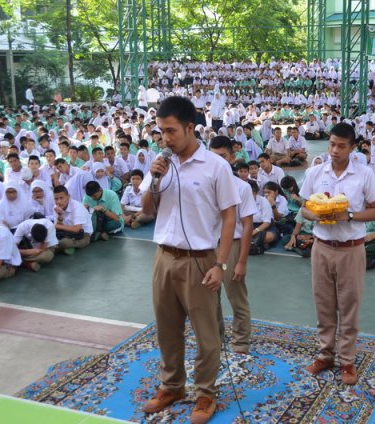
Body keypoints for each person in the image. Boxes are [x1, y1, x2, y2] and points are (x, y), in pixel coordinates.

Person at [140, 96, 240, 424]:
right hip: (164, 258)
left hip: (201, 260)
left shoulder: (216, 166)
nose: (165, 138)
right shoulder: (160, 163)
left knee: (207, 332)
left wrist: (220, 264)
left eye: (171, 131)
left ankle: (205, 392)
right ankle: (172, 386)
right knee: (167, 329)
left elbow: (229, 217)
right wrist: (154, 179)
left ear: (190, 128)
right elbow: (146, 210)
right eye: (161, 131)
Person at [300, 122, 375, 385]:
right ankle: (325, 354)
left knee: (349, 305)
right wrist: (317, 214)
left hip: (351, 249)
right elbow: (303, 208)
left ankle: (346, 360)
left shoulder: (364, 174)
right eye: (332, 144)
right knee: (324, 304)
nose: (335, 150)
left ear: (352, 148)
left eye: (341, 146)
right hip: (322, 247)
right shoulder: (316, 172)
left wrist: (348, 215)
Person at [209, 135, 257, 354]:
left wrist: (242, 261)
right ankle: (215, 340)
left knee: (236, 297)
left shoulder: (242, 187)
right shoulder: (206, 185)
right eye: (213, 157)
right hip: (208, 247)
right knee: (210, 299)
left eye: (222, 156)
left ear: (233, 157)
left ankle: (240, 342)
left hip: (233, 247)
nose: (218, 161)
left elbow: (247, 226)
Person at [53, 185, 92, 255]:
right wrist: (60, 216)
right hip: (66, 233)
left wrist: (56, 226)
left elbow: (77, 229)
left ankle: (59, 247)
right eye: (56, 199)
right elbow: (58, 227)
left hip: (83, 234)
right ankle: (60, 248)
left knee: (64, 242)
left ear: (68, 197)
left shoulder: (77, 207)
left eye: (61, 198)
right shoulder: (56, 207)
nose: (58, 201)